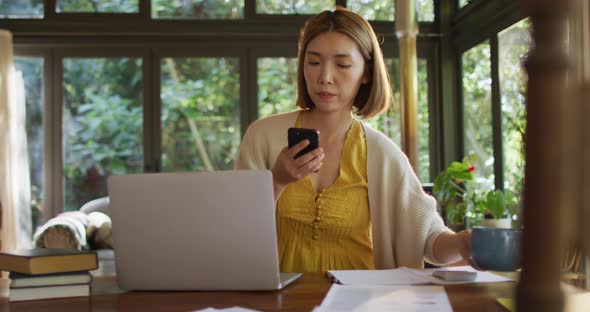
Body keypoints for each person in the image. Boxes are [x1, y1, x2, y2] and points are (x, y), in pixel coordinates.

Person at [235, 7, 473, 272]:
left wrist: (463, 243)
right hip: (278, 301)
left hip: (360, 299)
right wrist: (277, 180)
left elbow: (428, 240)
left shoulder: (382, 155)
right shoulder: (262, 136)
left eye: (342, 65)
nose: (324, 77)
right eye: (313, 62)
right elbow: (232, 230)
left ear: (367, 73)